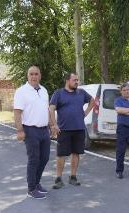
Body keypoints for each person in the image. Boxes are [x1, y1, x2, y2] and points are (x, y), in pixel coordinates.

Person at [49, 72, 95, 189]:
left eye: (77, 80)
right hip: (63, 129)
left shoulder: (81, 93)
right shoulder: (58, 93)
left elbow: (92, 101)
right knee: (61, 154)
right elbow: (51, 108)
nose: (76, 82)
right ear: (67, 80)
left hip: (79, 128)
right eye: (74, 80)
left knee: (76, 153)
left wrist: (85, 113)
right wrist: (54, 124)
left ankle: (73, 177)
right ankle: (58, 178)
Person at [13, 66, 51, 199]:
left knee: (45, 158)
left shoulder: (44, 90)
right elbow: (17, 112)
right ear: (27, 76)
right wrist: (19, 130)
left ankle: (37, 183)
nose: (34, 76)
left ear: (40, 75)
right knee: (34, 159)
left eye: (36, 74)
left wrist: (52, 125)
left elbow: (47, 110)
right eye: (31, 74)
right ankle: (31, 188)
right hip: (30, 130)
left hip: (44, 130)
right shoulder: (21, 91)